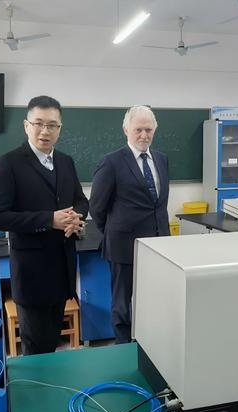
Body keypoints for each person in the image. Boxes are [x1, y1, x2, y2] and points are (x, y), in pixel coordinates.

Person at [0, 95, 88, 355]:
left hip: (62, 269)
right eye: (39, 123)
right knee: (36, 348)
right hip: (32, 274)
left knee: (52, 342)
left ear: (60, 129)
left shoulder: (65, 161)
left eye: (52, 125)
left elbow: (80, 199)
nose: (45, 131)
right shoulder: (8, 163)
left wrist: (76, 217)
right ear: (26, 126)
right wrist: (49, 219)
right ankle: (36, 382)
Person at [89, 105, 170, 344]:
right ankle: (123, 346)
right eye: (138, 130)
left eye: (148, 129)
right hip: (123, 246)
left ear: (155, 130)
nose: (144, 135)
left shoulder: (162, 160)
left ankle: (151, 343)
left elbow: (158, 204)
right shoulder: (111, 162)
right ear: (126, 130)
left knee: (154, 299)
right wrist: (113, 232)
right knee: (122, 303)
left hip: (158, 246)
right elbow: (97, 207)